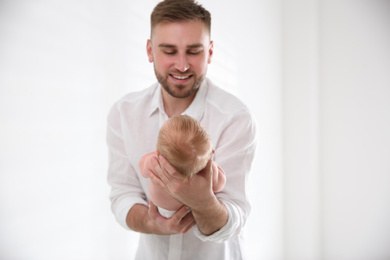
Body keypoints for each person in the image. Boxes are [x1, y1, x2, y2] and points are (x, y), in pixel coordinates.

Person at [106, 0, 257, 259]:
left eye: (194, 51)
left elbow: (235, 215)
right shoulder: (124, 113)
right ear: (150, 50)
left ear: (210, 52)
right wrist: (153, 223)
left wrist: (202, 201)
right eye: (169, 51)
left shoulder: (235, 117)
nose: (182, 65)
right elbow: (123, 196)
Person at [139, 114, 226, 219]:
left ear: (158, 151)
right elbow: (219, 185)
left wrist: (152, 157)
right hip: (191, 210)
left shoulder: (154, 162)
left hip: (162, 209)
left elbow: (142, 170)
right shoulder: (206, 171)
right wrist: (212, 164)